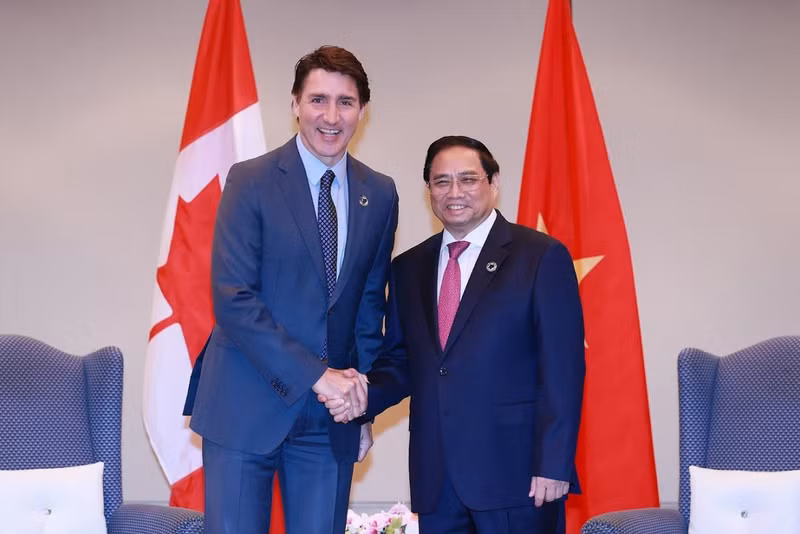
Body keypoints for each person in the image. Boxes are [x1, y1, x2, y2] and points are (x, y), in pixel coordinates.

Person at [183, 45, 398, 534]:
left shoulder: (380, 193)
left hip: (330, 422)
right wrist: (318, 376)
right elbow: (234, 300)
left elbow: (368, 308)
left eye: (345, 102)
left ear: (362, 111)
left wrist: (362, 406)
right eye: (318, 99)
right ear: (296, 104)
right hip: (245, 405)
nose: (331, 115)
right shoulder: (252, 180)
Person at [325, 135, 585, 533]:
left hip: (518, 480)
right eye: (441, 181)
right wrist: (360, 399)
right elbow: (401, 362)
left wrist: (554, 463)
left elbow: (563, 370)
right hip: (437, 481)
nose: (454, 192)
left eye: (468, 179)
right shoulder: (408, 268)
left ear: (494, 182)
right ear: (428, 189)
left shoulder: (540, 257)